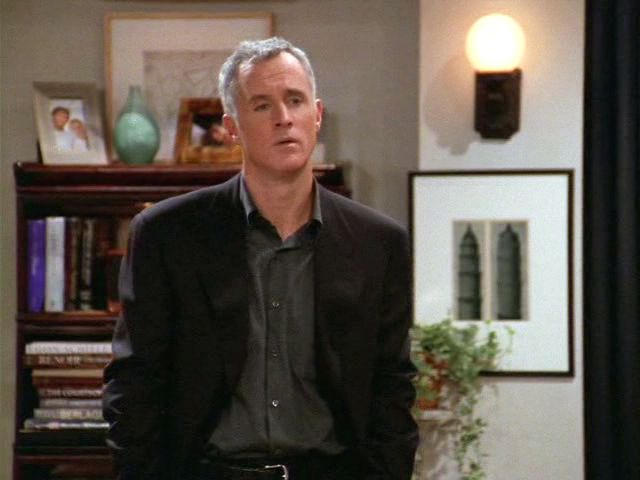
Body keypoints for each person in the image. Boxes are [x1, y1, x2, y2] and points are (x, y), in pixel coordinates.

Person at [103, 36, 418, 480]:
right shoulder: (166, 235)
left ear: (317, 115)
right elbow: (135, 382)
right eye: (262, 105)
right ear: (232, 128)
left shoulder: (378, 243)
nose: (284, 118)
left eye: (295, 100)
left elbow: (392, 386)